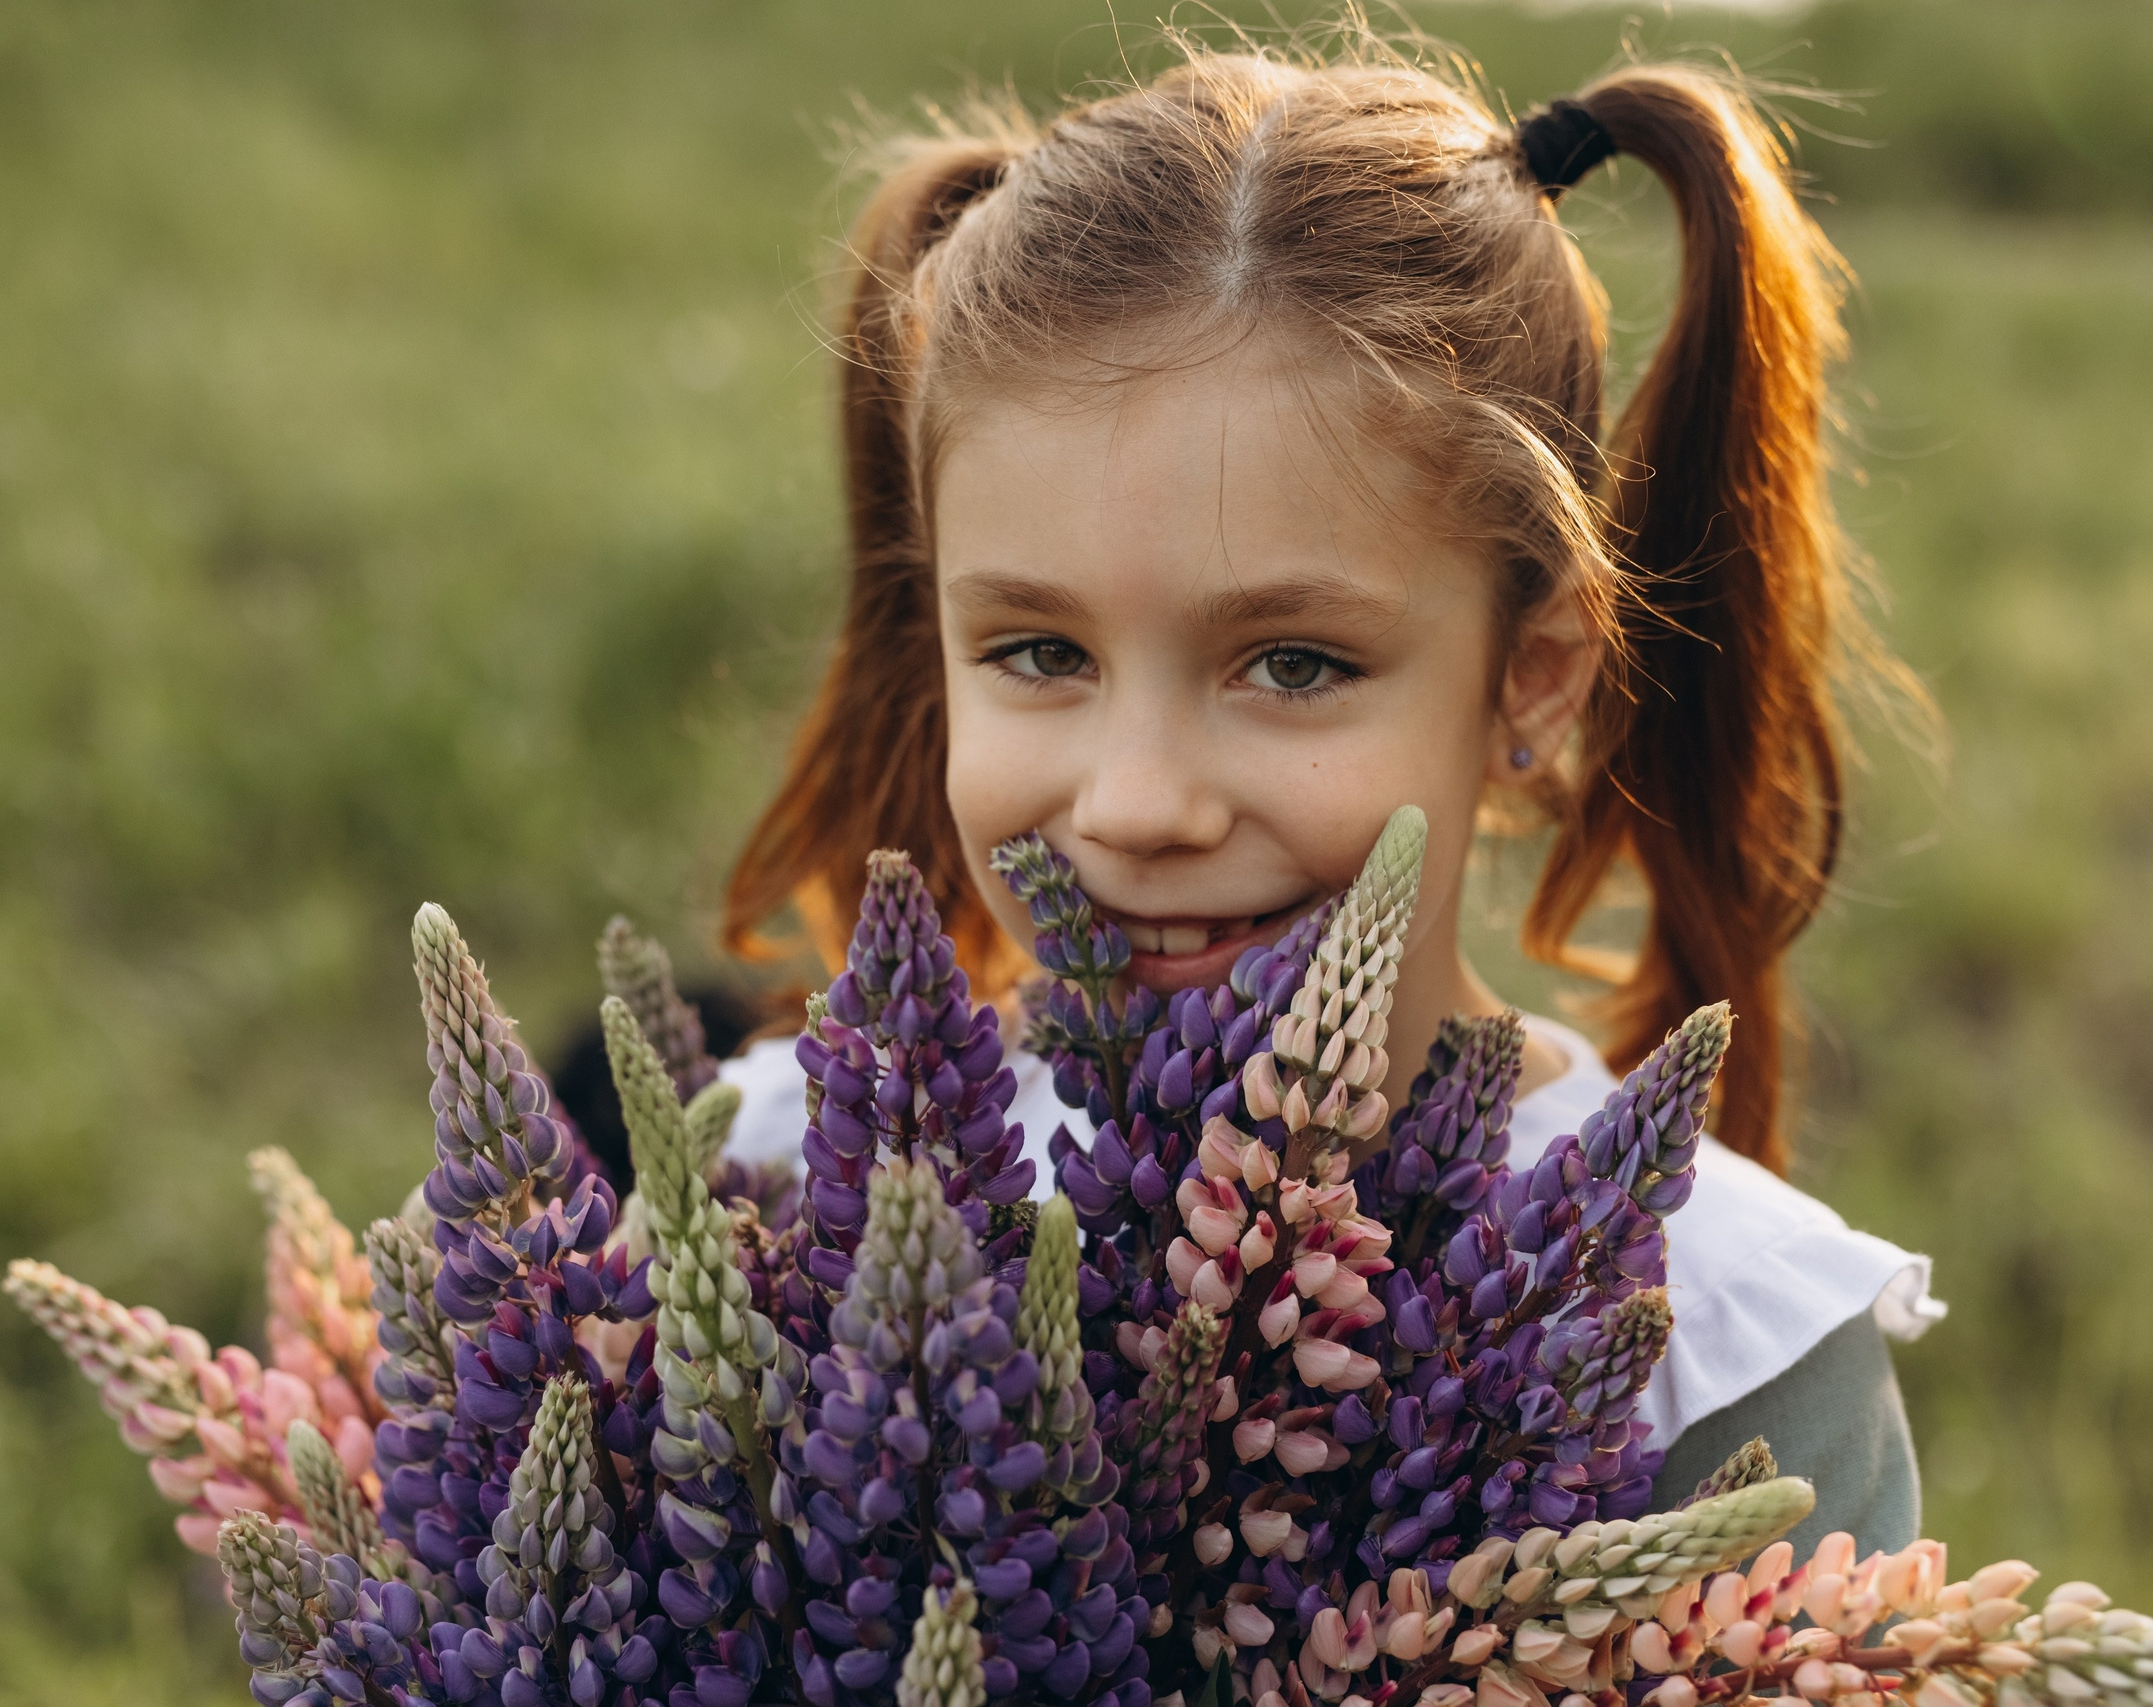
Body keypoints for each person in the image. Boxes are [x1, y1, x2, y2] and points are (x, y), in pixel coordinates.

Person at [712, 33, 1940, 1552]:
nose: (1138, 805)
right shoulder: (779, 1178)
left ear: (1533, 679)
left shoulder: (1728, 1349)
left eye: (1292, 664)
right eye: (1040, 652)